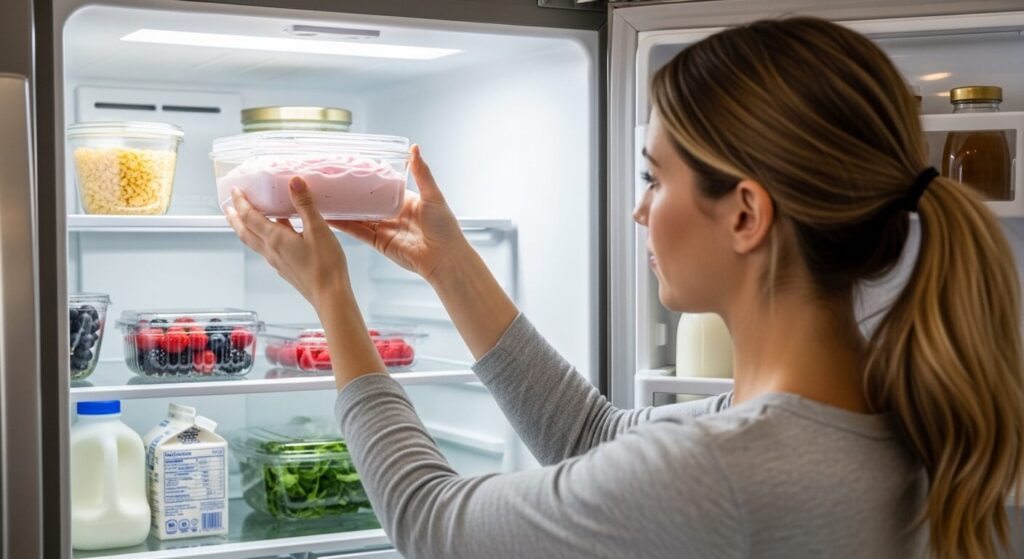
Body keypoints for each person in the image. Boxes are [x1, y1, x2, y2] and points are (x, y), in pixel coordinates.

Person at [226, 16, 1024, 559]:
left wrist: (333, 299)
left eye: (655, 178)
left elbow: (432, 524)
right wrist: (447, 264)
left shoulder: (727, 467)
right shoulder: (880, 411)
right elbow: (595, 437)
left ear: (745, 212)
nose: (640, 209)